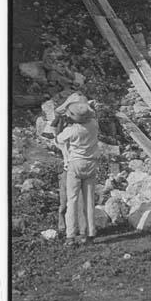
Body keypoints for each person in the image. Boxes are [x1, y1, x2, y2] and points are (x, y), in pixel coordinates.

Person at [56, 101, 99, 245]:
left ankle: (70, 236)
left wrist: (62, 121)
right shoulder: (94, 124)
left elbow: (57, 139)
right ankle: (90, 234)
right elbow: (92, 114)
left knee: (72, 200)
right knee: (89, 200)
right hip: (91, 163)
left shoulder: (72, 130)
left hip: (75, 164)